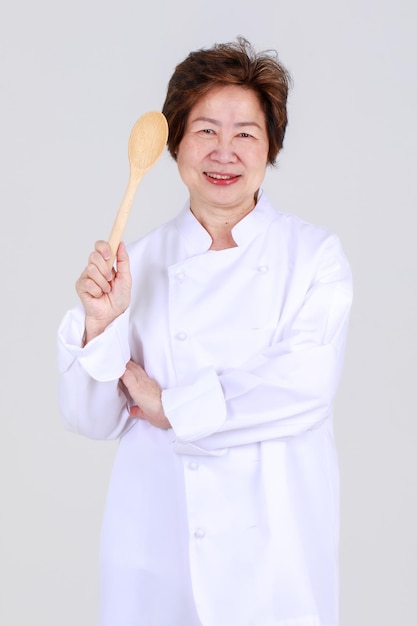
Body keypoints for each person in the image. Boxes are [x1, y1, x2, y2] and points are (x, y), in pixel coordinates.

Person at [57, 36, 353, 626]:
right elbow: (92, 418)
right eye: (205, 131)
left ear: (271, 148)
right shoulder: (133, 262)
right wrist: (100, 323)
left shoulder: (313, 257)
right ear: (172, 145)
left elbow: (304, 388)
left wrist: (170, 406)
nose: (224, 151)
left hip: (274, 545)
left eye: (245, 133)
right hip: (156, 540)